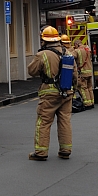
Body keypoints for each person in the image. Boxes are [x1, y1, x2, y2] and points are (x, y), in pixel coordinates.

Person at [27, 26, 73, 161]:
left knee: (44, 122)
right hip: (67, 91)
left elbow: (32, 71)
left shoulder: (42, 54)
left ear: (44, 40)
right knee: (65, 120)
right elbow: (75, 75)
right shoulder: (68, 53)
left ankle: (41, 152)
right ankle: (65, 150)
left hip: (49, 93)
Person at [68, 34, 94, 109]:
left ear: (76, 44)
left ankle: (87, 104)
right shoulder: (87, 50)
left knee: (83, 88)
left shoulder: (77, 51)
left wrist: (70, 49)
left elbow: (70, 56)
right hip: (89, 72)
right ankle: (92, 102)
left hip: (82, 73)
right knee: (89, 88)